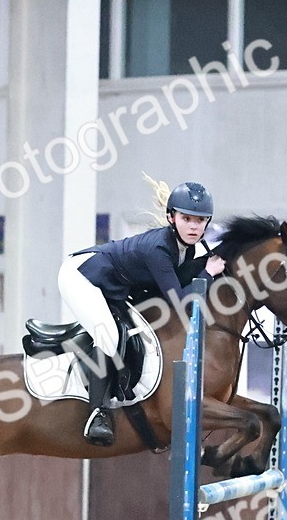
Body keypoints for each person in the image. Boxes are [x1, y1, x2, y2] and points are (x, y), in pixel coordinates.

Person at [59, 181, 226, 446]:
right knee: (109, 336)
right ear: (172, 217)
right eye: (187, 219)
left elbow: (178, 280)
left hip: (113, 283)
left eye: (200, 220)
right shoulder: (158, 248)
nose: (194, 226)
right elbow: (180, 302)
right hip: (82, 276)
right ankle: (97, 414)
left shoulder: (186, 248)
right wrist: (208, 273)